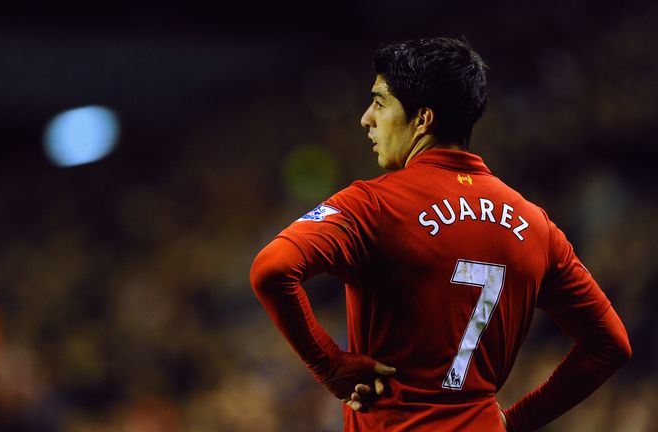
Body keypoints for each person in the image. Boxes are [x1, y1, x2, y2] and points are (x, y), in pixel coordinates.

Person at [249, 37, 631, 432]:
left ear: (422, 119)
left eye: (380, 103)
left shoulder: (374, 204)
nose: (366, 118)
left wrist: (330, 367)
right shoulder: (535, 224)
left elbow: (271, 269)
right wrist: (516, 422)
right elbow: (609, 344)